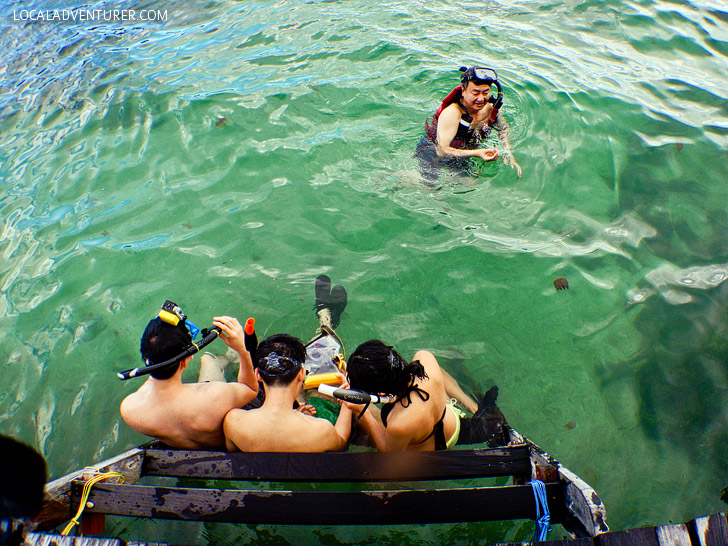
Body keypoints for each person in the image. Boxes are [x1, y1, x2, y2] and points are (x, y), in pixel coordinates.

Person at [120, 314, 259, 450]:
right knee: (207, 359)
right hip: (222, 444)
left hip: (189, 450)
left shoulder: (130, 409)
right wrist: (242, 349)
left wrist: (161, 346)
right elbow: (250, 389)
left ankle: (226, 358)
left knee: (206, 361)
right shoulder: (214, 396)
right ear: (187, 359)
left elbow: (155, 374)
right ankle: (231, 356)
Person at [346, 340, 510, 452]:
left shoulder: (399, 423)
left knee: (361, 422)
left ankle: (478, 411)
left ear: (381, 394)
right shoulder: (424, 358)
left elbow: (388, 451)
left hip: (440, 441)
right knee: (436, 374)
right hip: (448, 415)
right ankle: (472, 406)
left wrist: (363, 410)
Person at [224, 333, 354, 452]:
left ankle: (212, 360)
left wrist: (293, 414)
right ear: (302, 374)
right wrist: (347, 397)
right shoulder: (320, 430)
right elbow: (341, 441)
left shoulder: (234, 421)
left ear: (257, 374)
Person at [415, 66, 522, 183]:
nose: (481, 99)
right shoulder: (452, 113)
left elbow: (503, 129)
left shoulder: (491, 107)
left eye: (485, 92)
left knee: (470, 184)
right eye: (475, 93)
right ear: (463, 91)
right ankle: (403, 178)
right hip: (433, 151)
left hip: (462, 151)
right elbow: (441, 150)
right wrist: (477, 153)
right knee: (429, 186)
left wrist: (508, 153)